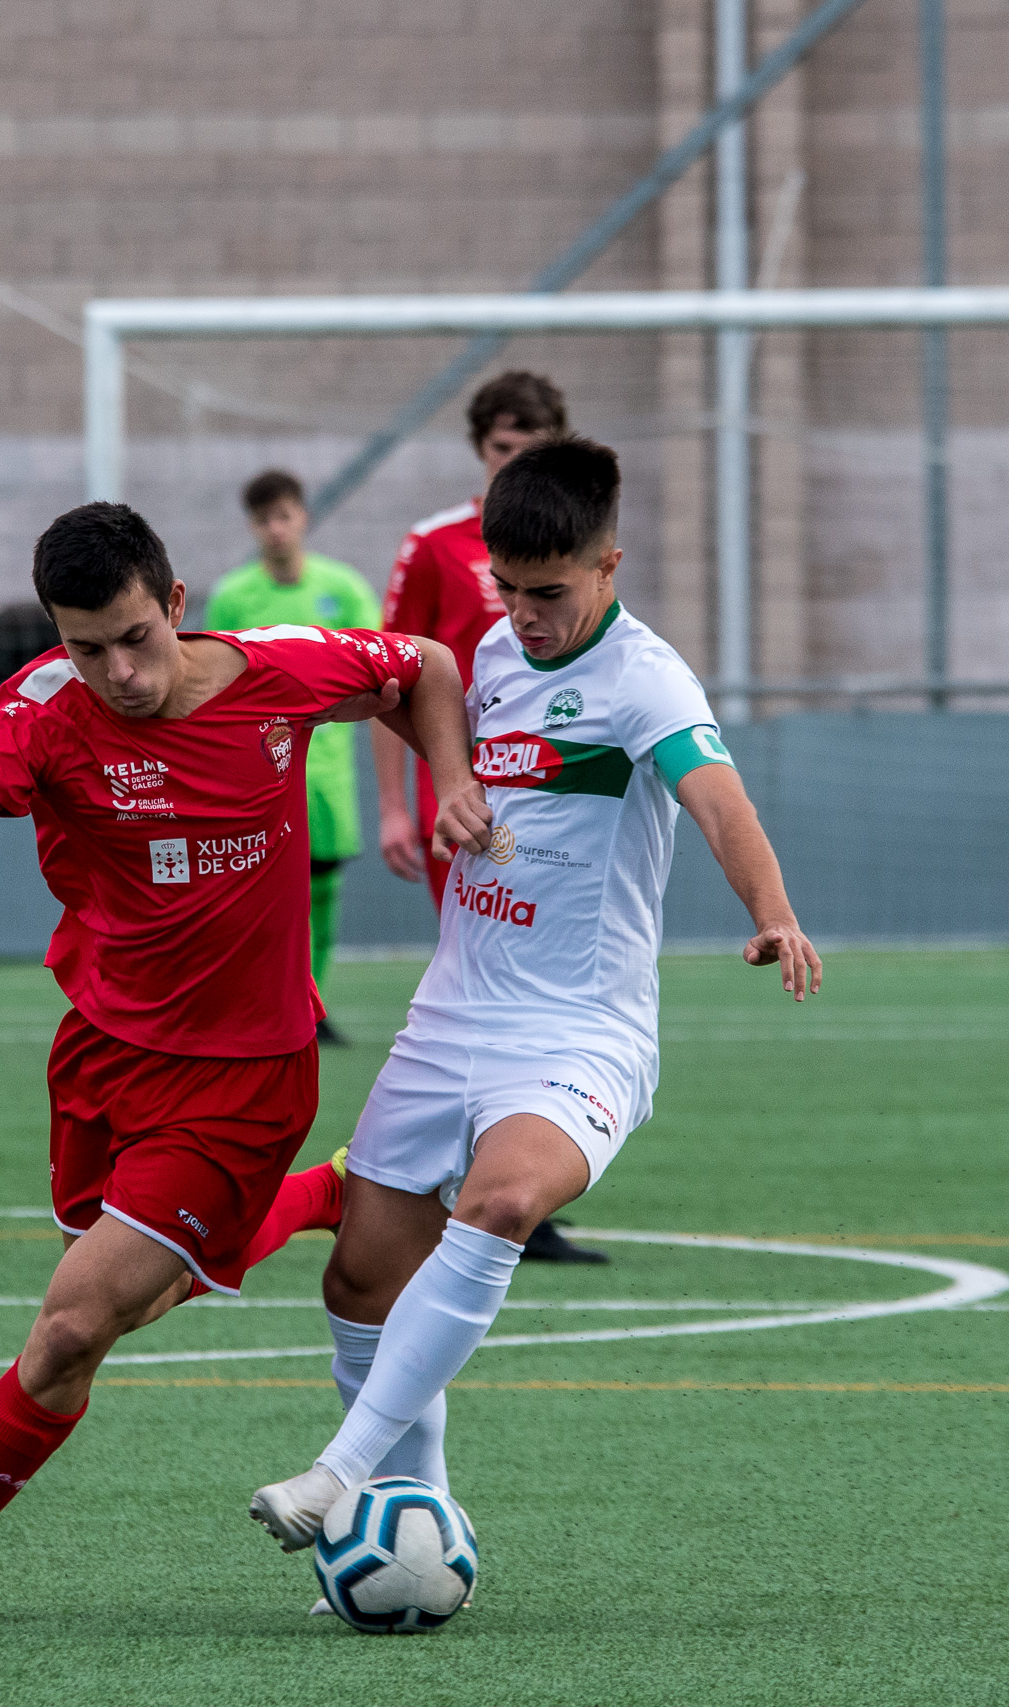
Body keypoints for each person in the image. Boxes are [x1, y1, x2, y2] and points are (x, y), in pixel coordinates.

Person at [0, 501, 489, 1623]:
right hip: (103, 1055)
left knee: (73, 1321)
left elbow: (423, 663)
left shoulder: (282, 675)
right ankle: (321, 1193)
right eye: (86, 648)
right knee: (138, 1302)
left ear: (174, 605)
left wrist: (448, 779)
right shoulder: (41, 710)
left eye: (136, 638)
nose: (117, 672)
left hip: (244, 1077)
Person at [246, 436, 822, 1549]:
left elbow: (716, 801)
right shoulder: (493, 653)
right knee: (360, 1279)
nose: (525, 615)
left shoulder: (644, 678)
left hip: (580, 1031)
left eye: (549, 593)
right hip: (450, 1017)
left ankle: (337, 1476)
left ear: (611, 563)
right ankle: (421, 1510)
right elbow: (425, 711)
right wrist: (448, 792)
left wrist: (772, 912)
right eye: (507, 591)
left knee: (503, 1202)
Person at [370, 371, 605, 1265]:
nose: (516, 463)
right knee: (491, 981)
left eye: (531, 448)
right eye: (503, 449)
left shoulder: (573, 546)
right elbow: (392, 680)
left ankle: (513, 1175)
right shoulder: (432, 545)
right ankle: (492, 1192)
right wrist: (397, 804)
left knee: (533, 981)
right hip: (468, 808)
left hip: (559, 808)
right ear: (481, 450)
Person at [203, 469, 382, 1041]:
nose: (275, 530)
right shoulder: (234, 597)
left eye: (283, 516)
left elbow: (378, 667)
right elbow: (211, 682)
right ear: (252, 527)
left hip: (327, 769)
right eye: (263, 520)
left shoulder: (345, 588)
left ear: (302, 517)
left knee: (322, 885)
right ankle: (264, 1002)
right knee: (262, 896)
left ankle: (312, 1003)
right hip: (259, 769)